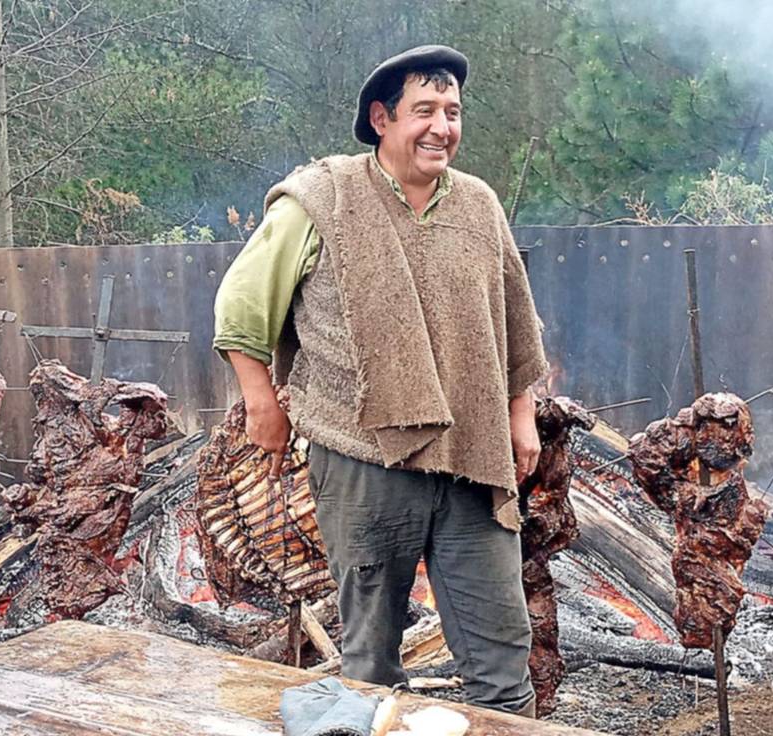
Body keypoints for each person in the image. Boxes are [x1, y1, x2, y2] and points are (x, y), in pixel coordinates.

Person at [212, 44, 548, 717]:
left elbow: (515, 321)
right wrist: (261, 402)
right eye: (423, 110)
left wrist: (520, 413)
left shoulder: (479, 205)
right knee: (371, 658)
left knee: (502, 656)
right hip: (365, 457)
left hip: (472, 460)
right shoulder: (321, 197)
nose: (441, 127)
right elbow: (240, 307)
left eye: (452, 112)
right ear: (381, 118)